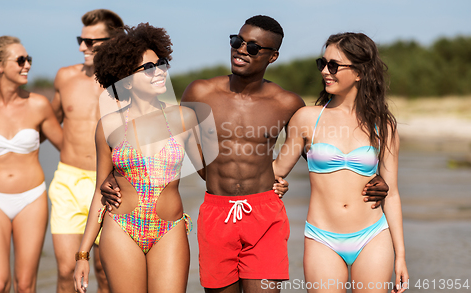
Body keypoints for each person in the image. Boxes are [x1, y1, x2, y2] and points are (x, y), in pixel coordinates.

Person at [101, 16, 390, 293]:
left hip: (264, 214)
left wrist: (372, 175)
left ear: (272, 56)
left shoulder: (287, 103)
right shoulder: (200, 92)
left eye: (252, 47)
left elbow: (321, 154)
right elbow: (163, 139)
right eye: (237, 41)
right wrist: (115, 175)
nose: (241, 49)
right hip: (216, 212)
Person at [73, 23, 204, 293]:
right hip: (121, 227)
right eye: (148, 68)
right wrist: (83, 254)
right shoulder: (108, 126)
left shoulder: (183, 118)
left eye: (161, 63)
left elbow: (211, 175)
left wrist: (267, 178)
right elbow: (101, 191)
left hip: (169, 229)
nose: (159, 72)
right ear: (126, 80)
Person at [273, 32, 408, 293]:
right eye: (321, 64)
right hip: (322, 237)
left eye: (333, 65)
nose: (325, 71)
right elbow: (276, 170)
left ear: (359, 72)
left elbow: (391, 194)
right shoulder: (306, 118)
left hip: (372, 234)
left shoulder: (383, 125)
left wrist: (401, 255)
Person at [0, 36, 62, 292]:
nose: (28, 65)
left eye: (29, 59)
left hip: (31, 199)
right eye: (20, 60)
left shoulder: (38, 105)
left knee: (25, 284)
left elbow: (68, 149)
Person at [49, 9, 124, 293]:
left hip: (111, 184)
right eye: (81, 39)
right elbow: (46, 120)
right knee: (67, 269)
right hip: (69, 181)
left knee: (106, 271)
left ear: (114, 41)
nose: (83, 47)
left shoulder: (129, 83)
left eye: (91, 41)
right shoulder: (65, 77)